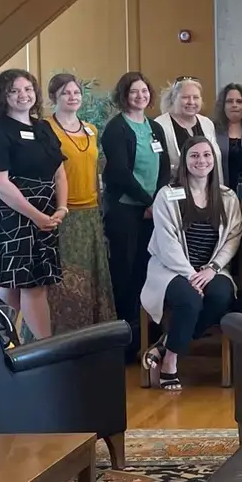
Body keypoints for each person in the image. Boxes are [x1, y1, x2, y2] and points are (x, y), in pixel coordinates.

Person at [0, 69, 68, 340]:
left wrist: (61, 208)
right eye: (14, 90)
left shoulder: (43, 127)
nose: (23, 95)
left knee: (14, 287)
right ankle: (47, 351)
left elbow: (59, 171)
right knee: (32, 284)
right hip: (12, 215)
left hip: (46, 214)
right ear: (4, 96)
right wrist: (36, 215)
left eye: (27, 89)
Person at [140, 136, 242, 390]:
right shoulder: (167, 195)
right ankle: (171, 361)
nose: (201, 161)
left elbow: (234, 236)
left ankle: (165, 345)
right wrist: (190, 274)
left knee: (221, 295)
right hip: (171, 269)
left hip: (211, 268)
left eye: (207, 155)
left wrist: (213, 269)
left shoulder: (227, 197)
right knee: (190, 300)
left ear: (214, 160)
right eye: (194, 156)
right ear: (184, 161)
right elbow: (166, 243)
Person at [101, 71, 171, 358]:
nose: (140, 96)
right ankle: (124, 338)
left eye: (144, 91)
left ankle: (147, 333)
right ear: (124, 95)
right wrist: (147, 201)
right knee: (126, 270)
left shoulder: (154, 127)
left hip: (153, 209)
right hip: (125, 210)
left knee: (148, 269)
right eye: (134, 92)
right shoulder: (115, 129)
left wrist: (158, 199)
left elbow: (165, 163)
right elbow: (118, 172)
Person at [44, 74, 115, 333]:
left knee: (92, 273)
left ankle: (92, 333)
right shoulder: (45, 128)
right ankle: (60, 333)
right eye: (66, 93)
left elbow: (95, 168)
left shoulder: (91, 129)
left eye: (76, 93)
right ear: (54, 97)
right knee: (63, 274)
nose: (73, 97)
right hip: (61, 211)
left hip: (90, 210)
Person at [154, 76, 221, 172]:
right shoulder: (160, 125)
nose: (191, 102)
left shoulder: (207, 123)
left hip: (207, 185)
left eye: (196, 97)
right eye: (185, 97)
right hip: (174, 185)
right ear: (173, 99)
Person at [213, 83, 242, 189]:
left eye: (239, 101)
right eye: (229, 101)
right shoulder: (211, 130)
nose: (234, 105)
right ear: (222, 105)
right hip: (220, 191)